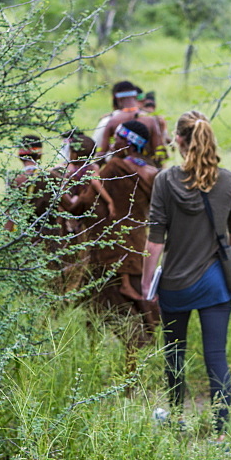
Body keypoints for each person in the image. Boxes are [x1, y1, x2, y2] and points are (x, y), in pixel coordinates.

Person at [141, 111, 231, 436]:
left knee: (174, 354)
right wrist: (223, 257)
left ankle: (174, 415)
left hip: (174, 285)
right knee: (217, 356)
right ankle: (220, 432)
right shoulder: (227, 180)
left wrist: (147, 284)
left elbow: (154, 242)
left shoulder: (165, 181)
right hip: (215, 283)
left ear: (179, 140)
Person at [79, 120, 160, 335]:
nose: (113, 143)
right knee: (141, 305)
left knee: (102, 305)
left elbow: (86, 203)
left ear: (130, 143)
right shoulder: (153, 172)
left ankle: (118, 352)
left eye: (118, 138)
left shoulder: (115, 167)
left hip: (110, 249)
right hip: (137, 247)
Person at [95, 80, 167, 167]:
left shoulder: (113, 121)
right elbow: (159, 152)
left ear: (117, 99)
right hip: (147, 170)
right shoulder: (150, 120)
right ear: (136, 96)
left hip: (120, 172)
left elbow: (101, 155)